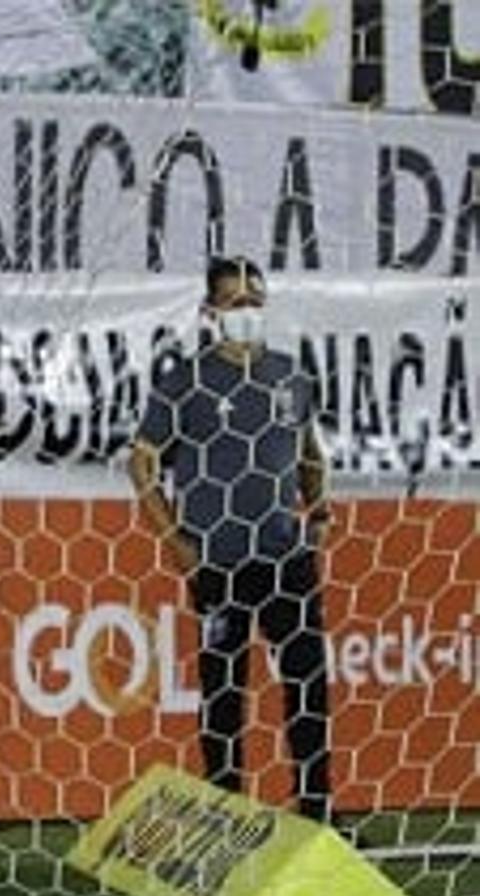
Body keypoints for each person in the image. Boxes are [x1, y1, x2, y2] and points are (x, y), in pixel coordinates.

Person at [129, 254, 333, 821]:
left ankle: (318, 812)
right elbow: (141, 463)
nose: (247, 311)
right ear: (211, 311)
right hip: (218, 562)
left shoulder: (291, 376)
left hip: (285, 558)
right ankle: (226, 816)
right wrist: (176, 543)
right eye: (235, 302)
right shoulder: (185, 381)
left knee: (308, 684)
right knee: (224, 694)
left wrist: (318, 512)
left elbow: (308, 452)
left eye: (255, 302)